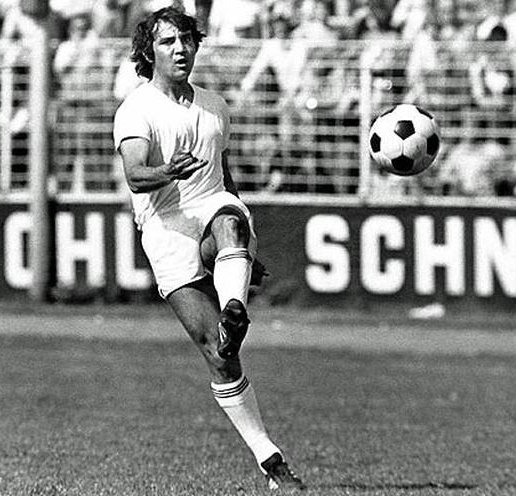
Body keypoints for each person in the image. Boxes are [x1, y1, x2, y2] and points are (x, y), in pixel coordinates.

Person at [112, 7, 306, 492]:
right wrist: (167, 171)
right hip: (165, 227)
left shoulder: (215, 105)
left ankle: (235, 306)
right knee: (218, 354)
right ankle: (269, 458)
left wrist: (241, 249)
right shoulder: (136, 110)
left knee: (228, 218)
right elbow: (135, 175)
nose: (180, 49)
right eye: (168, 42)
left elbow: (225, 176)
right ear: (149, 52)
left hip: (212, 205)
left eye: (187, 40)